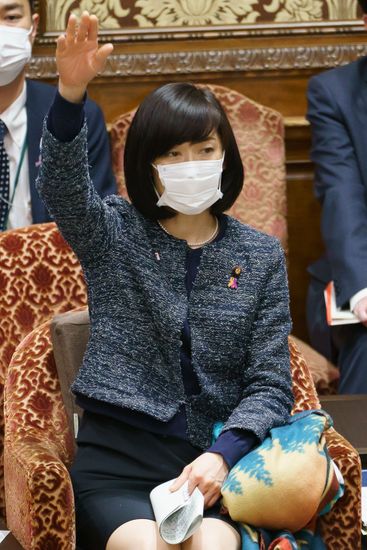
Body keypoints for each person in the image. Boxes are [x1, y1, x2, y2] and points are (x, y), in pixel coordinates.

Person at [37, 11, 294, 550]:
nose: (191, 163)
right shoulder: (114, 231)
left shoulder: (261, 254)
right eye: (172, 154)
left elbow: (271, 384)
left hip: (214, 468)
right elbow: (62, 189)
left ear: (226, 157)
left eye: (205, 150)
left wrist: (221, 457)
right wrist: (69, 92)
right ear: (148, 166)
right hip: (120, 465)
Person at [0, 0, 116, 231]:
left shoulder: (79, 116)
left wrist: (71, 95)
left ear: (32, 28)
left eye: (11, 17)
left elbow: (101, 230)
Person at [306, 0, 367, 394]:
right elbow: (342, 193)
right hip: (360, 272)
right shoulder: (335, 93)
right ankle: (357, 457)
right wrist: (363, 288)